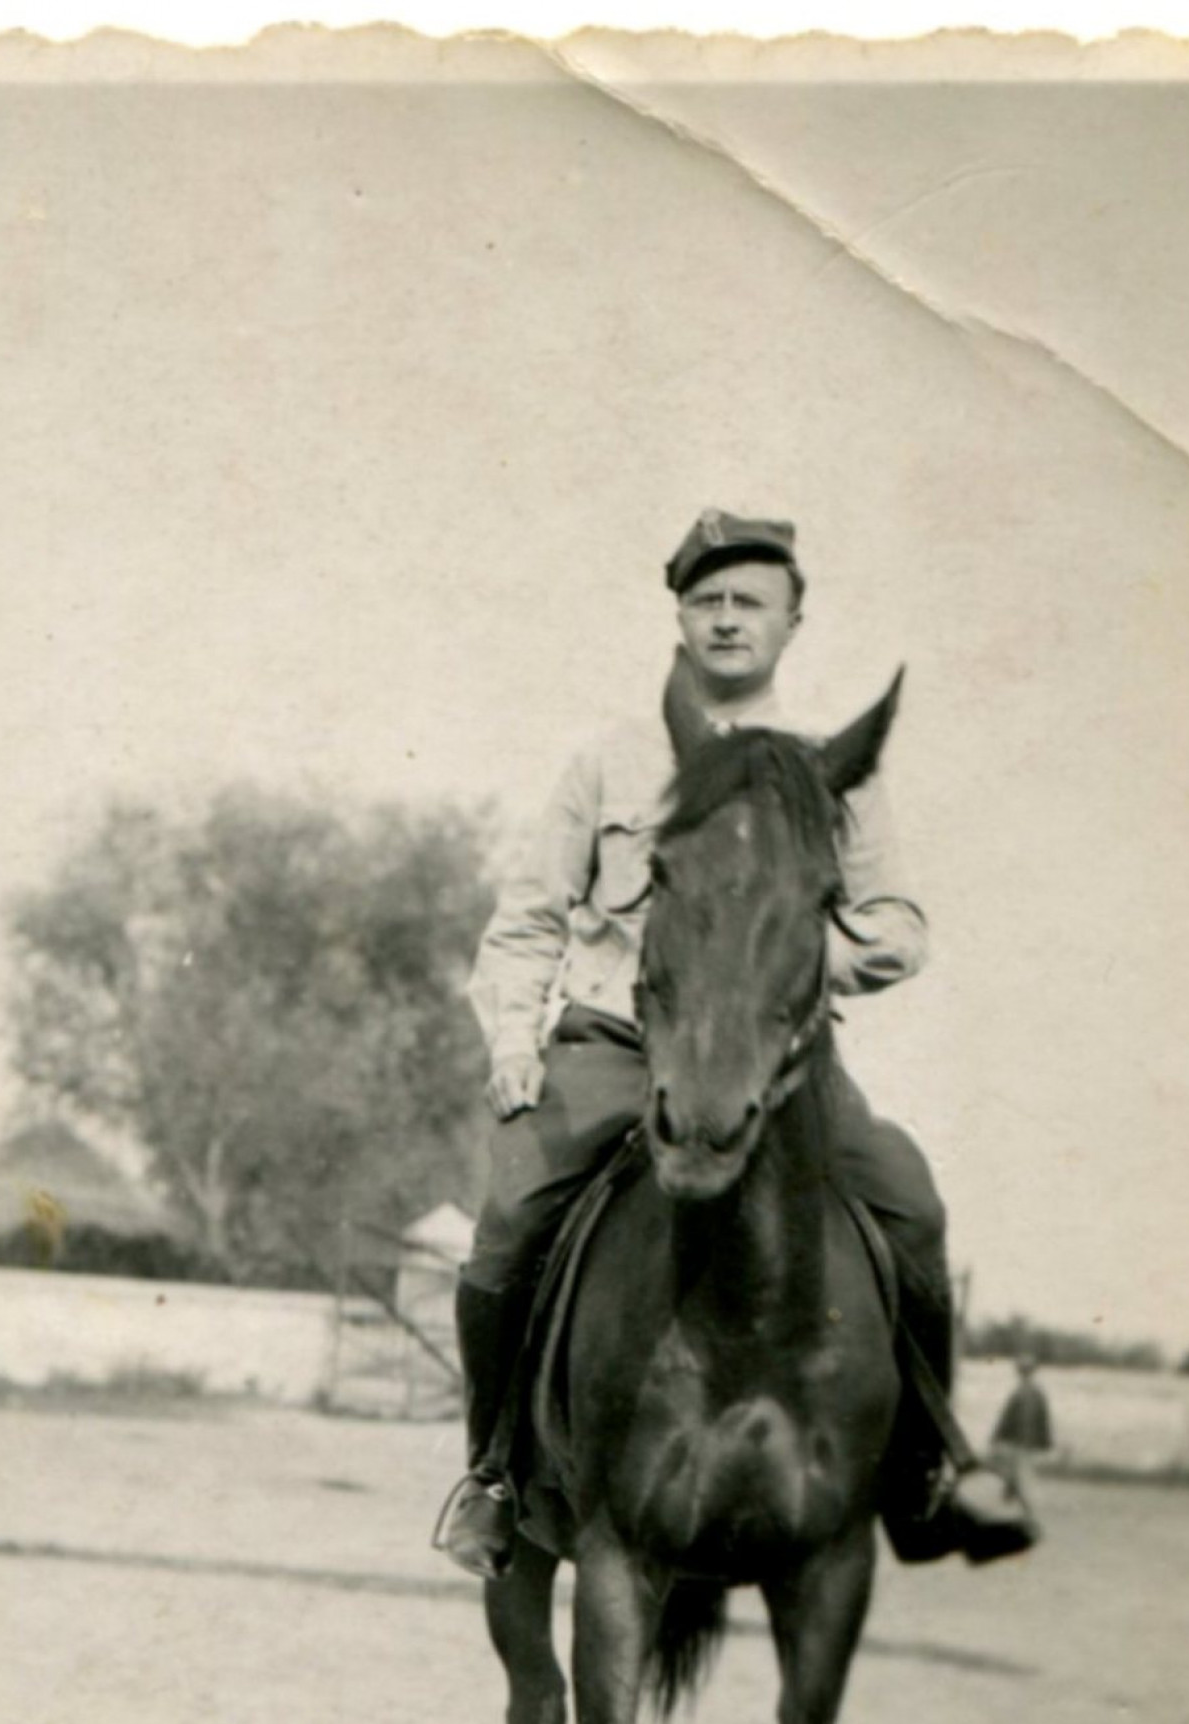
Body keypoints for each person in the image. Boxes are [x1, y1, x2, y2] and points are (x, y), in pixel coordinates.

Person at [434, 506, 1039, 1582]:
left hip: (777, 1062)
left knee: (907, 1196)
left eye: (749, 601)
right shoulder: (610, 761)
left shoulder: (830, 768)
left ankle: (927, 1473)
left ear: (791, 622)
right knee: (510, 1218)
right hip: (621, 1042)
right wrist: (514, 1042)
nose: (725, 620)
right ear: (678, 616)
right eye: (705, 600)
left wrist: (787, 963)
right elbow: (527, 916)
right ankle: (493, 1472)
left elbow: (900, 925)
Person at [988, 1351, 1055, 1517]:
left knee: (1019, 1472)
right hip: (1029, 1440)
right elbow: (1044, 1419)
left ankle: (1024, 1505)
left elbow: (1007, 1417)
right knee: (1019, 1470)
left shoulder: (1018, 1393)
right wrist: (1045, 1442)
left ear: (1020, 1372)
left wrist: (997, 1436)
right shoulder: (1038, 1393)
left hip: (1018, 1440)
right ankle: (1012, 1498)